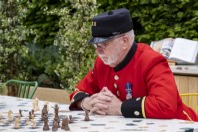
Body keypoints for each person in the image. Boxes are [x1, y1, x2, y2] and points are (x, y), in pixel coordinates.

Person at [69, 8, 198, 121]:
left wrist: (120, 107)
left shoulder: (151, 61)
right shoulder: (103, 62)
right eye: (96, 46)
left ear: (125, 41)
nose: (98, 51)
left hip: (180, 125)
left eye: (104, 45)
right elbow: (79, 91)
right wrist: (87, 102)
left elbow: (165, 105)